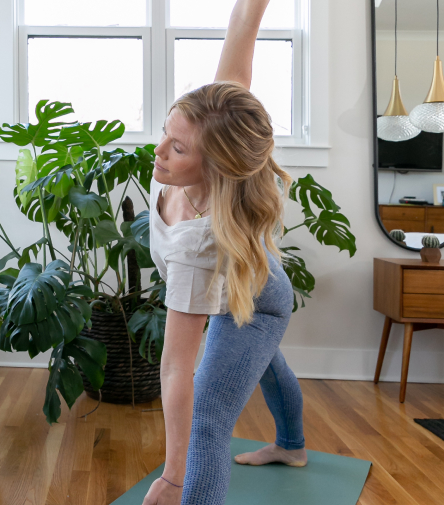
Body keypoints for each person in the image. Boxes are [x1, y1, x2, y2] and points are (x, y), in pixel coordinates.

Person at [142, 1, 306, 504]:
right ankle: (292, 446)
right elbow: (243, 26)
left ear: (216, 167)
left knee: (209, 414)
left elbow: (176, 367)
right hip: (252, 272)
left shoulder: (198, 241)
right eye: (167, 132)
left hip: (259, 299)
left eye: (177, 148)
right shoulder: (219, 116)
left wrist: (173, 476)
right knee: (265, 363)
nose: (160, 150)